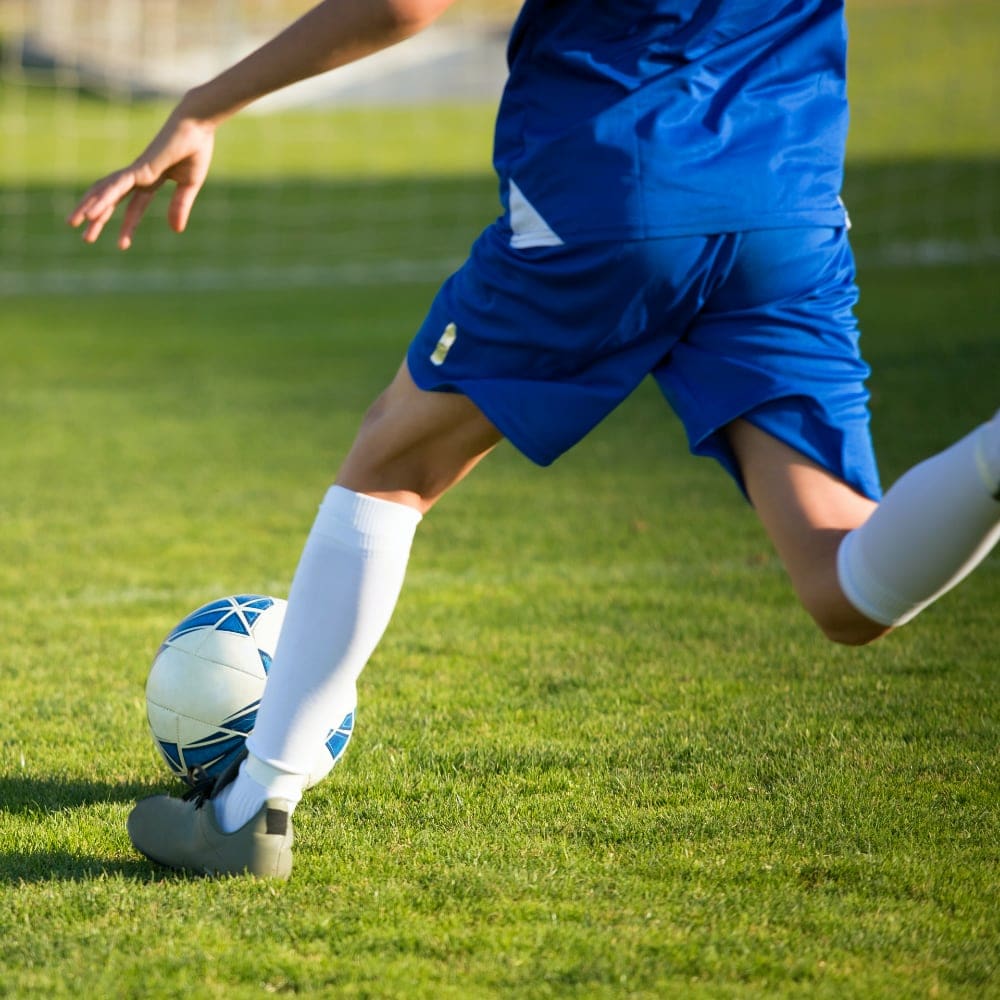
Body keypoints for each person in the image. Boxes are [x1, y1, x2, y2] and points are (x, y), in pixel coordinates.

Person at [68, 0, 999, 880]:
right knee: (846, 586)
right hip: (787, 209)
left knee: (395, 462)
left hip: (610, 189)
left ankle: (249, 811)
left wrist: (205, 103)